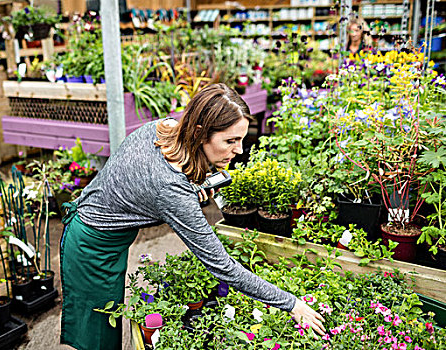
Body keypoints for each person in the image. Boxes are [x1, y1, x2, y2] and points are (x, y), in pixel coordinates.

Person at [59, 83, 325, 350]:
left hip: (99, 226)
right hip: (91, 247)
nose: (239, 150)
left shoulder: (165, 128)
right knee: (98, 337)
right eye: (230, 141)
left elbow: (145, 181)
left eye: (241, 139)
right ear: (200, 133)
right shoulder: (171, 190)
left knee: (106, 325)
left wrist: (192, 186)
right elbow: (223, 268)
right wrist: (291, 303)